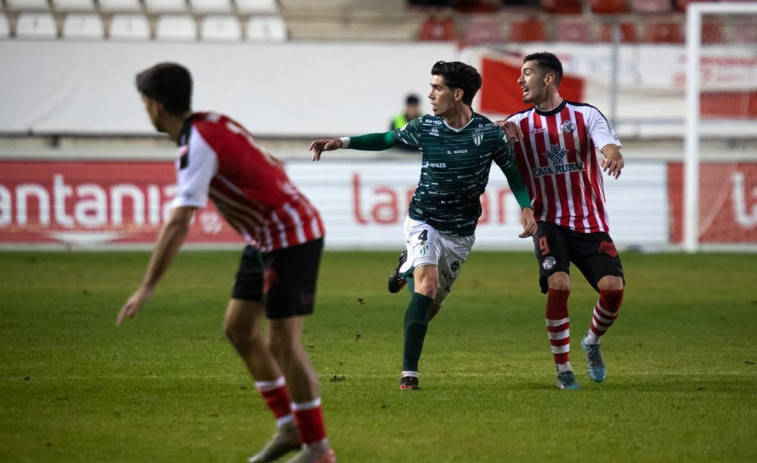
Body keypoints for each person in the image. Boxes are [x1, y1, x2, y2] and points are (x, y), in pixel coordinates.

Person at [117, 63, 336, 463]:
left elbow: (179, 221)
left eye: (144, 102)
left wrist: (147, 285)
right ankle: (288, 427)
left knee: (282, 343)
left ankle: (317, 449)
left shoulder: (195, 143)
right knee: (238, 328)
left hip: (291, 236)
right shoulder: (212, 122)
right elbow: (267, 159)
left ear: (154, 105)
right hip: (265, 237)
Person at [310, 61, 536, 390]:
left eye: (437, 88)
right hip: (423, 220)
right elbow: (387, 137)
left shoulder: (488, 135)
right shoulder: (425, 127)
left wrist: (526, 208)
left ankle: (406, 266)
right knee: (426, 286)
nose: (430, 94)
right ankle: (409, 374)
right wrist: (342, 142)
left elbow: (513, 175)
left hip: (460, 233)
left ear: (458, 94)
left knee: (431, 305)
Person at [503, 52, 626, 390]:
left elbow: (608, 145)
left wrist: (613, 156)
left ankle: (592, 341)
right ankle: (563, 369)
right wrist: (495, 130)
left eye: (527, 73)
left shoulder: (585, 115)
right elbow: (490, 148)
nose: (519, 80)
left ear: (548, 79)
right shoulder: (517, 125)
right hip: (547, 221)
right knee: (559, 284)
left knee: (613, 291)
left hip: (589, 222)